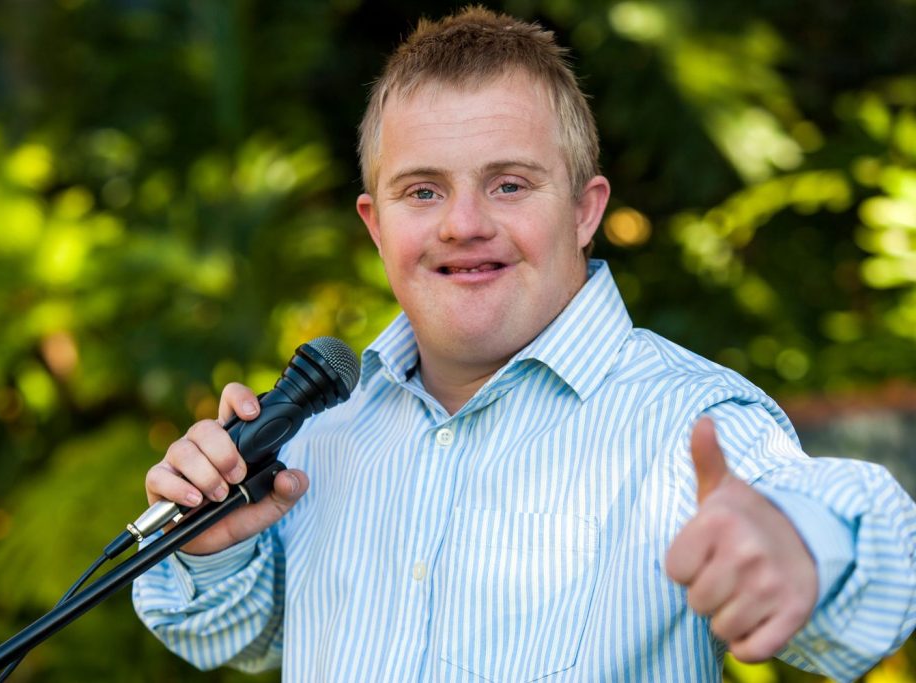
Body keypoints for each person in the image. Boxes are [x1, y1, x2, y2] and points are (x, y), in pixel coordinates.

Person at [133, 7, 916, 681]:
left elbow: (868, 540)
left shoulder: (687, 420)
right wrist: (208, 546)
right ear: (376, 226)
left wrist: (804, 547)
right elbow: (223, 633)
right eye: (423, 190)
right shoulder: (322, 430)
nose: (463, 223)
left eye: (509, 183)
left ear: (583, 209)